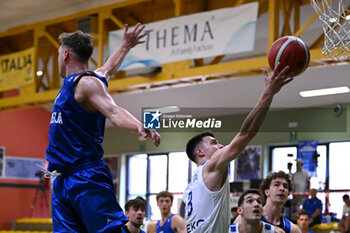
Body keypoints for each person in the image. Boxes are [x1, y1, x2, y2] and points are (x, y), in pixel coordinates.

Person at [45, 23, 161, 233]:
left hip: (86, 176)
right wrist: (125, 45)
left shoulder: (87, 84)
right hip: (62, 179)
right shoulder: (86, 81)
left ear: (65, 55)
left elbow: (114, 112)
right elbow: (108, 68)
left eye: (59, 52)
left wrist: (139, 126)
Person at [182, 63, 293, 233]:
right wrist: (268, 94)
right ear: (200, 152)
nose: (220, 145)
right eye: (213, 143)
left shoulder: (191, 186)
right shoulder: (210, 167)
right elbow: (247, 133)